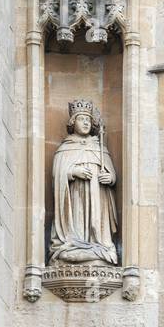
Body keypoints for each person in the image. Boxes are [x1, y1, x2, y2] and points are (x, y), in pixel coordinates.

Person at [49, 99, 118, 265]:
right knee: (77, 222)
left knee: (97, 223)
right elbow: (57, 175)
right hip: (75, 198)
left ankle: (99, 244)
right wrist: (73, 172)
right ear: (73, 123)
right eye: (81, 119)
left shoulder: (98, 146)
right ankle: (74, 244)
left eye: (88, 119)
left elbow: (111, 172)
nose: (86, 122)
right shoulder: (65, 148)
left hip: (97, 197)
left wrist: (110, 178)